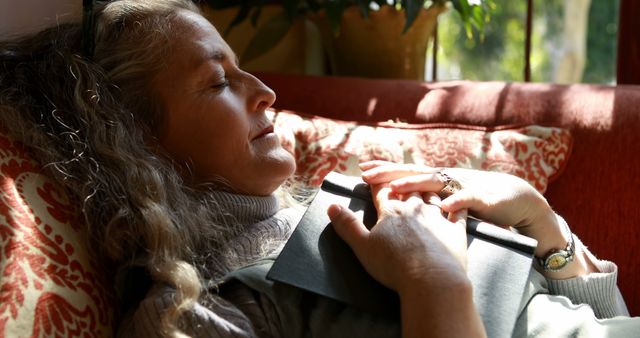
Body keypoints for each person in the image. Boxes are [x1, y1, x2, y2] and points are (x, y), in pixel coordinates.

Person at [0, 0, 637, 337]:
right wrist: (435, 285)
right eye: (219, 81)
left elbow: (606, 325)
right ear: (139, 138)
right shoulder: (195, 315)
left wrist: (539, 220)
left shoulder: (318, 206)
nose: (264, 91)